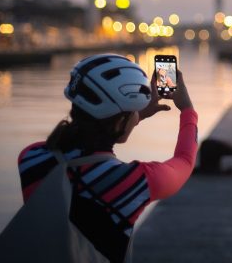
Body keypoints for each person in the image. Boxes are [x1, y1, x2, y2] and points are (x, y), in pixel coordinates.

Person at [16, 54, 198, 262]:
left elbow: (87, 138)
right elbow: (185, 161)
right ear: (121, 121)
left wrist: (133, 116)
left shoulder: (31, 158)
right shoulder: (135, 183)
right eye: (133, 113)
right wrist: (187, 109)